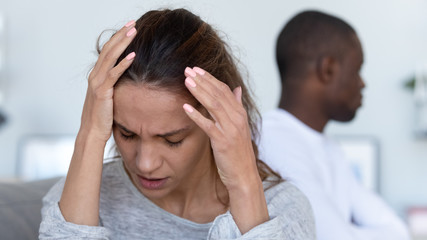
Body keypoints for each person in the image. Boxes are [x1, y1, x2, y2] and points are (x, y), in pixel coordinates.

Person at [39, 8, 315, 239]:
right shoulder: (82, 194)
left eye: (172, 140)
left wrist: (243, 183)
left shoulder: (283, 209)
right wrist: (90, 134)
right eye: (126, 134)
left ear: (217, 120)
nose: (145, 164)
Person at [259, 10, 410, 240]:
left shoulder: (330, 148)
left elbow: (399, 232)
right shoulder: (273, 139)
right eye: (357, 70)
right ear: (327, 69)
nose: (362, 83)